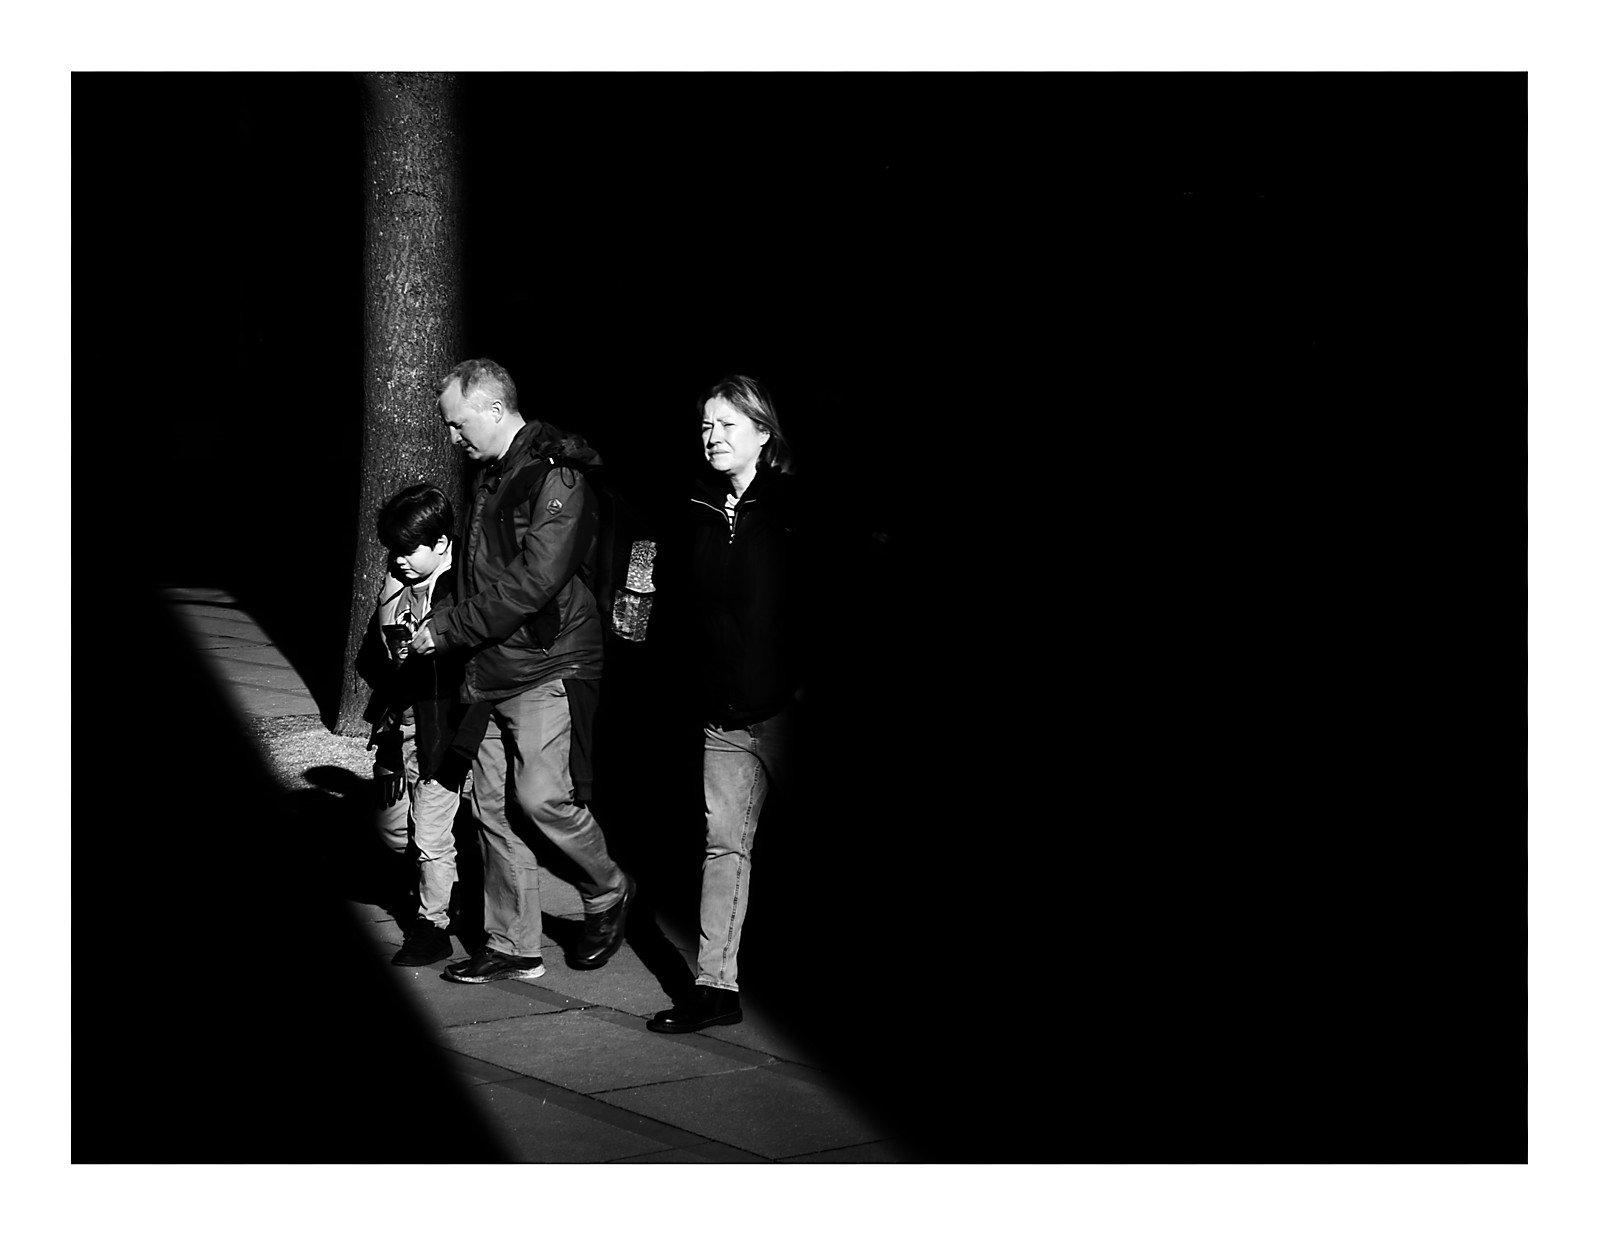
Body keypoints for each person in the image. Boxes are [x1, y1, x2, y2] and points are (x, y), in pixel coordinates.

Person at [409, 357, 635, 983]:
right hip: (489, 663)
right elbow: (484, 573)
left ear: (491, 408)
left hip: (546, 660)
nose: (453, 438)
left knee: (539, 798)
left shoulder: (554, 477)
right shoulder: (492, 476)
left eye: (458, 425)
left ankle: (608, 887)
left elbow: (534, 582)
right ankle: (513, 944)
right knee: (491, 806)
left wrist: (450, 628)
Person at [646, 374, 806, 1033]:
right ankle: (716, 988)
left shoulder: (796, 509)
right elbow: (679, 602)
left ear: (763, 434)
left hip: (790, 711)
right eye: (705, 425)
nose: (711, 435)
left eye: (726, 424)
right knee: (723, 847)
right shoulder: (695, 505)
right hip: (725, 715)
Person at [357, 483, 484, 968]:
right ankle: (449, 887)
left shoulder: (460, 589)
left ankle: (433, 926)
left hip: (443, 729)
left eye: (411, 550)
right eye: (394, 551)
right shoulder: (398, 586)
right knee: (395, 829)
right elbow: (374, 658)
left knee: (430, 834)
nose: (401, 560)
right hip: (400, 727)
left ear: (442, 545)